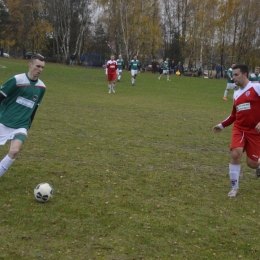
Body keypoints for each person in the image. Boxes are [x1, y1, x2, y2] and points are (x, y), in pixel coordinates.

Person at [213, 64, 260, 197]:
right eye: (233, 75)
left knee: (252, 163)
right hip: (239, 129)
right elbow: (234, 114)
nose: (233, 78)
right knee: (235, 154)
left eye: (236, 75)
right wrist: (221, 125)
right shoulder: (236, 93)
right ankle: (234, 187)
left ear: (244, 74)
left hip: (254, 131)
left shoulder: (256, 87)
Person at [0, 55, 46, 178]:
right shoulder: (17, 80)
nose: (40, 69)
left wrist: (28, 126)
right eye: (37, 66)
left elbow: (35, 108)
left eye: (42, 67)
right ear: (30, 65)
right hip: (4, 121)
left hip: (21, 125)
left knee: (14, 151)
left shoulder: (42, 87)